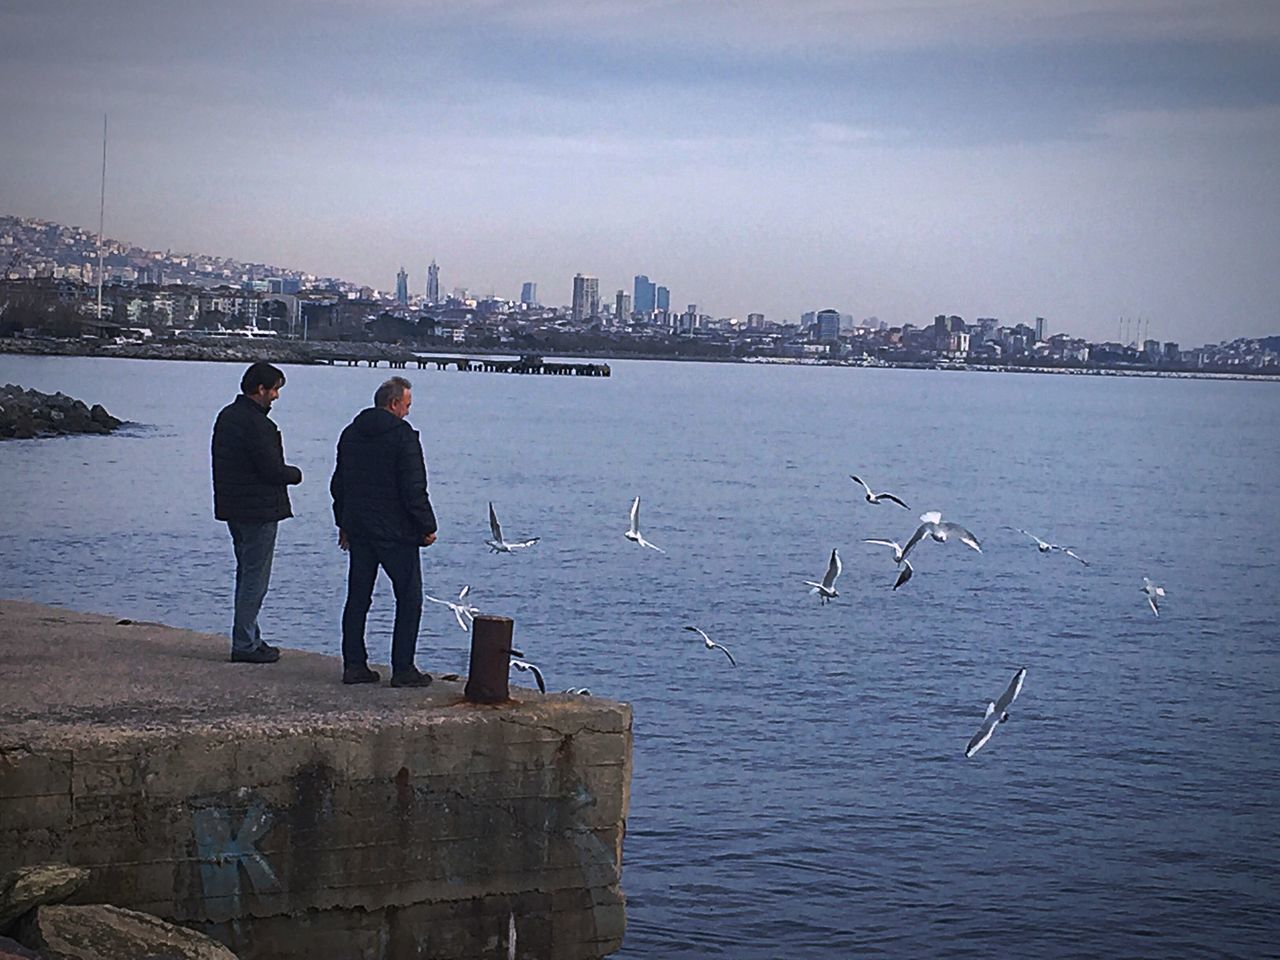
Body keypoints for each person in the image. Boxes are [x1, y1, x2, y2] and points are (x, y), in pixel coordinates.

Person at [331, 376, 438, 687]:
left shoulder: (350, 433)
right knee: (408, 598)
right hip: (397, 532)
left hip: (360, 529)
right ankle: (403, 668)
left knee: (358, 597)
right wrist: (427, 526)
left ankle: (354, 665)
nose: (407, 412)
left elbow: (340, 484)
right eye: (406, 405)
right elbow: (413, 488)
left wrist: (343, 523)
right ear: (394, 404)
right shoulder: (403, 436)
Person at [211, 362, 303, 664]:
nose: (276, 396)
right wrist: (295, 474)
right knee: (256, 578)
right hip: (258, 509)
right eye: (273, 389)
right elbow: (271, 469)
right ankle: (245, 643)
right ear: (259, 389)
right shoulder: (258, 425)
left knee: (246, 573)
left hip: (233, 506)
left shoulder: (227, 417)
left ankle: (251, 636)